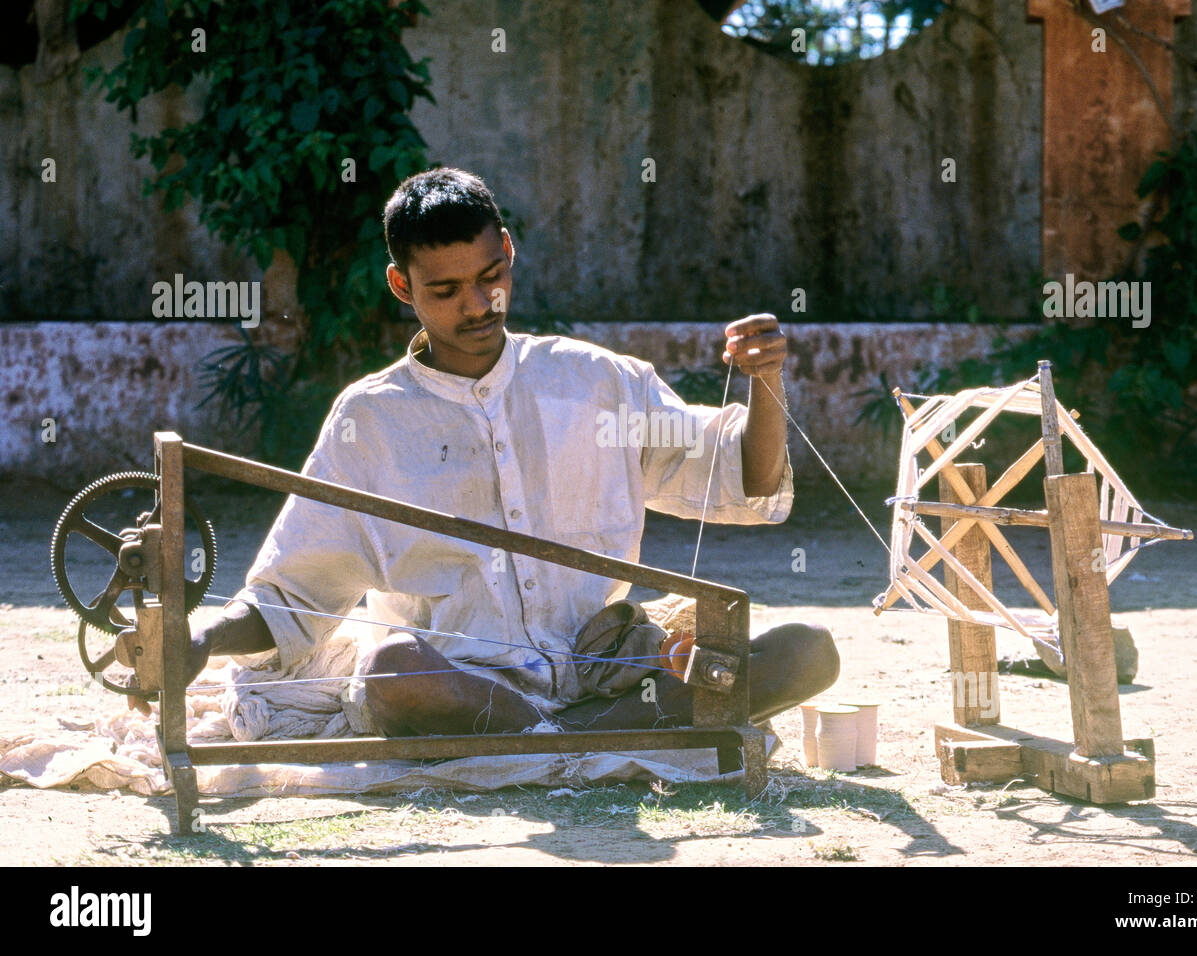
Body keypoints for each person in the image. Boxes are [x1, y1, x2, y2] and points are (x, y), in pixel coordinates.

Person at [181, 167, 839, 735]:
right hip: (459, 688)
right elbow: (292, 595)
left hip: (603, 671)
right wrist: (200, 639)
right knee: (390, 672)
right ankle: (590, 736)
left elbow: (745, 478)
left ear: (509, 253)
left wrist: (766, 382)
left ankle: (574, 733)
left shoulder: (597, 382)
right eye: (445, 291)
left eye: (490, 277)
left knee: (810, 651)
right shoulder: (372, 420)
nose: (476, 304)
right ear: (402, 286)